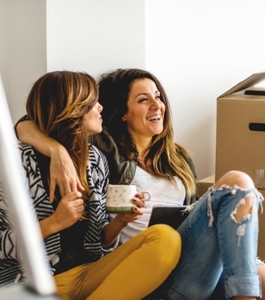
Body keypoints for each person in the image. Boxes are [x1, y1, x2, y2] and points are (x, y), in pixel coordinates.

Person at [15, 68, 264, 300]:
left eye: (158, 97)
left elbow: (197, 223)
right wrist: (57, 151)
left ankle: (247, 286)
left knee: (261, 275)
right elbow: (37, 119)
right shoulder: (104, 149)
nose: (157, 105)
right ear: (122, 111)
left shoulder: (180, 160)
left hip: (187, 258)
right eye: (144, 100)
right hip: (148, 262)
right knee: (237, 181)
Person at [0, 71, 182, 300]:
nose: (100, 107)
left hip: (86, 274)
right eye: (92, 102)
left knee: (164, 239)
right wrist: (54, 223)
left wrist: (120, 222)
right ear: (70, 108)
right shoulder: (16, 165)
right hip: (35, 281)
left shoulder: (95, 159)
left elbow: (98, 245)